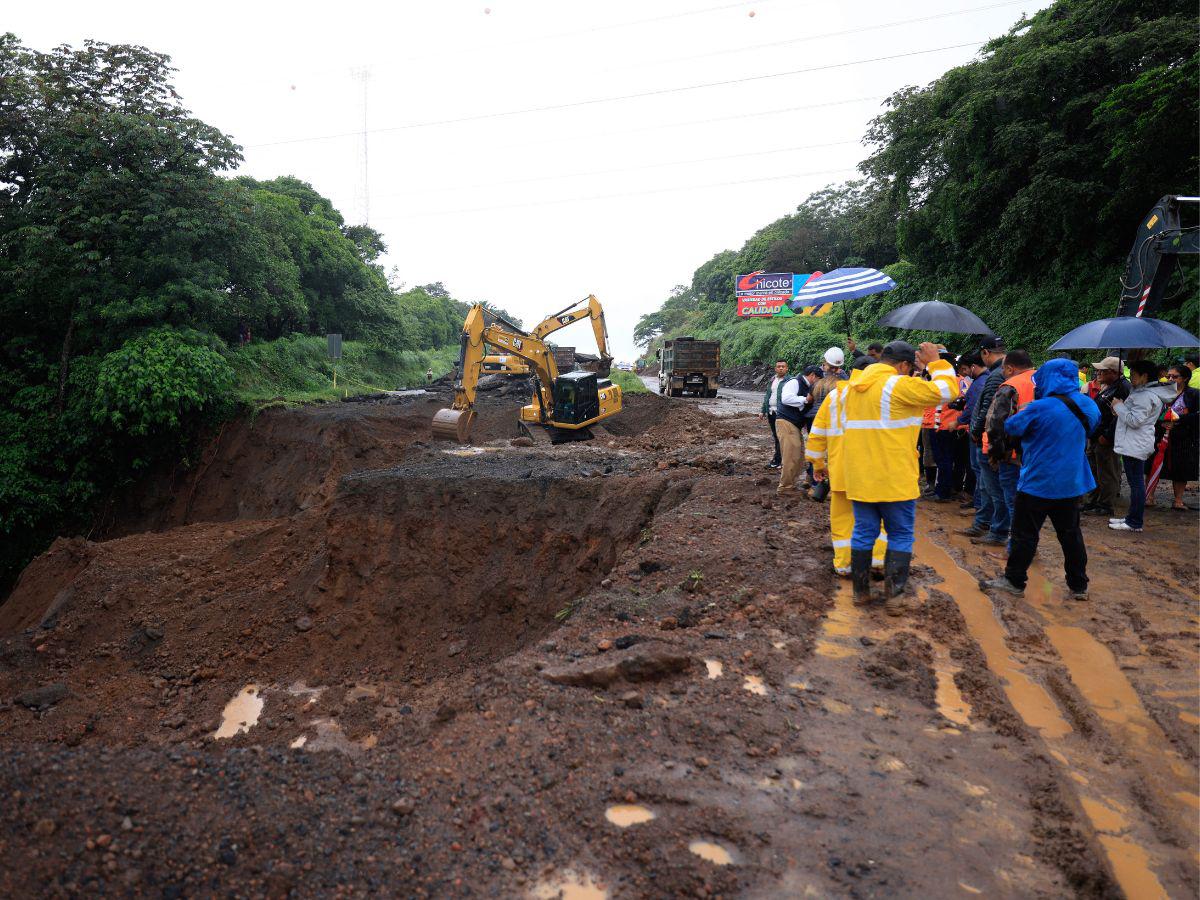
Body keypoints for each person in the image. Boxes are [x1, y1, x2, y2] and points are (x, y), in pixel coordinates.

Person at [842, 340, 960, 614]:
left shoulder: (854, 387)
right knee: (900, 534)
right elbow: (948, 390)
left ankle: (860, 593)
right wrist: (936, 362)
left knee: (863, 533)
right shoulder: (898, 385)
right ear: (905, 365)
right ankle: (894, 598)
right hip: (894, 477)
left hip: (860, 476)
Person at [981, 359, 1100, 601]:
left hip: (1038, 481)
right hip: (1071, 482)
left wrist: (1026, 409)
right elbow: (1092, 426)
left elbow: (1011, 427)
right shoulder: (1088, 404)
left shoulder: (1039, 407)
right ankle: (1079, 586)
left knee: (1025, 535)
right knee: (1071, 535)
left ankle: (1014, 581)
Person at [806, 356, 887, 576]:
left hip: (841, 470)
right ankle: (878, 561)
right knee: (878, 517)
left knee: (842, 519)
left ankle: (844, 565)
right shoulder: (884, 395)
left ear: (852, 372)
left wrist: (818, 465)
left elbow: (816, 435)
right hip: (873, 471)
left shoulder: (835, 396)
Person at [1108, 360, 1175, 531]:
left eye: (1133, 374)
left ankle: (1134, 522)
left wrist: (1119, 406)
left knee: (1136, 483)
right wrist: (1120, 409)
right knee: (1135, 482)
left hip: (1135, 443)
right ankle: (1132, 517)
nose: (1131, 377)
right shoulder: (1143, 392)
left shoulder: (1145, 396)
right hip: (1135, 441)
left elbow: (1135, 420)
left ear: (1144, 376)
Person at [983, 349, 1035, 545]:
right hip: (1035, 453)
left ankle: (1017, 548)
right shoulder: (1043, 381)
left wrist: (995, 454)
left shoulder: (1010, 386)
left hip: (1012, 455)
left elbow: (997, 424)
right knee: (1029, 503)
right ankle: (1026, 544)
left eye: (1004, 370)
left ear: (1010, 368)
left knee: (1013, 502)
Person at [969, 337, 1009, 544]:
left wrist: (976, 431)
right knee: (988, 486)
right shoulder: (1001, 372)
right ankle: (985, 523)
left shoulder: (996, 375)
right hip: (994, 438)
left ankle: (996, 530)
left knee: (993, 488)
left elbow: (988, 409)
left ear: (985, 352)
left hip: (988, 439)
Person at [1082, 356, 1131, 516]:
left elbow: (1119, 416)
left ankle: (1105, 504)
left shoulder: (1122, 388)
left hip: (1106, 438)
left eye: (1102, 371)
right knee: (1096, 469)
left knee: (1107, 472)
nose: (1098, 373)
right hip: (1097, 435)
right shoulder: (1110, 386)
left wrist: (1108, 436)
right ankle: (1094, 500)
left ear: (1114, 372)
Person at [1161, 364, 1200, 509]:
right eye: (1169, 376)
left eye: (1175, 376)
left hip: (1184, 437)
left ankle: (1178, 500)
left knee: (1181, 468)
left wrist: (1178, 420)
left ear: (1185, 378)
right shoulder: (1162, 392)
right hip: (1162, 434)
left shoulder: (1194, 394)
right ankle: (1149, 496)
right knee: (1155, 464)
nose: (1170, 379)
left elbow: (1197, 415)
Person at [774, 363, 812, 496]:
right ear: (813, 376)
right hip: (787, 422)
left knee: (799, 455)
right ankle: (785, 487)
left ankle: (790, 485)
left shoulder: (804, 385)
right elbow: (786, 398)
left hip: (794, 424)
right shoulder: (795, 382)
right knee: (790, 456)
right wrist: (805, 399)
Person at [759, 359, 790, 469]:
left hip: (782, 413)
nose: (781, 368)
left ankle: (778, 460)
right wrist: (763, 410)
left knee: (781, 437)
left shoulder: (790, 381)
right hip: (771, 412)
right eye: (778, 366)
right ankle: (779, 460)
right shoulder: (772, 380)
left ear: (787, 368)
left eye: (783, 366)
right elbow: (767, 395)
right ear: (775, 368)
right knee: (776, 436)